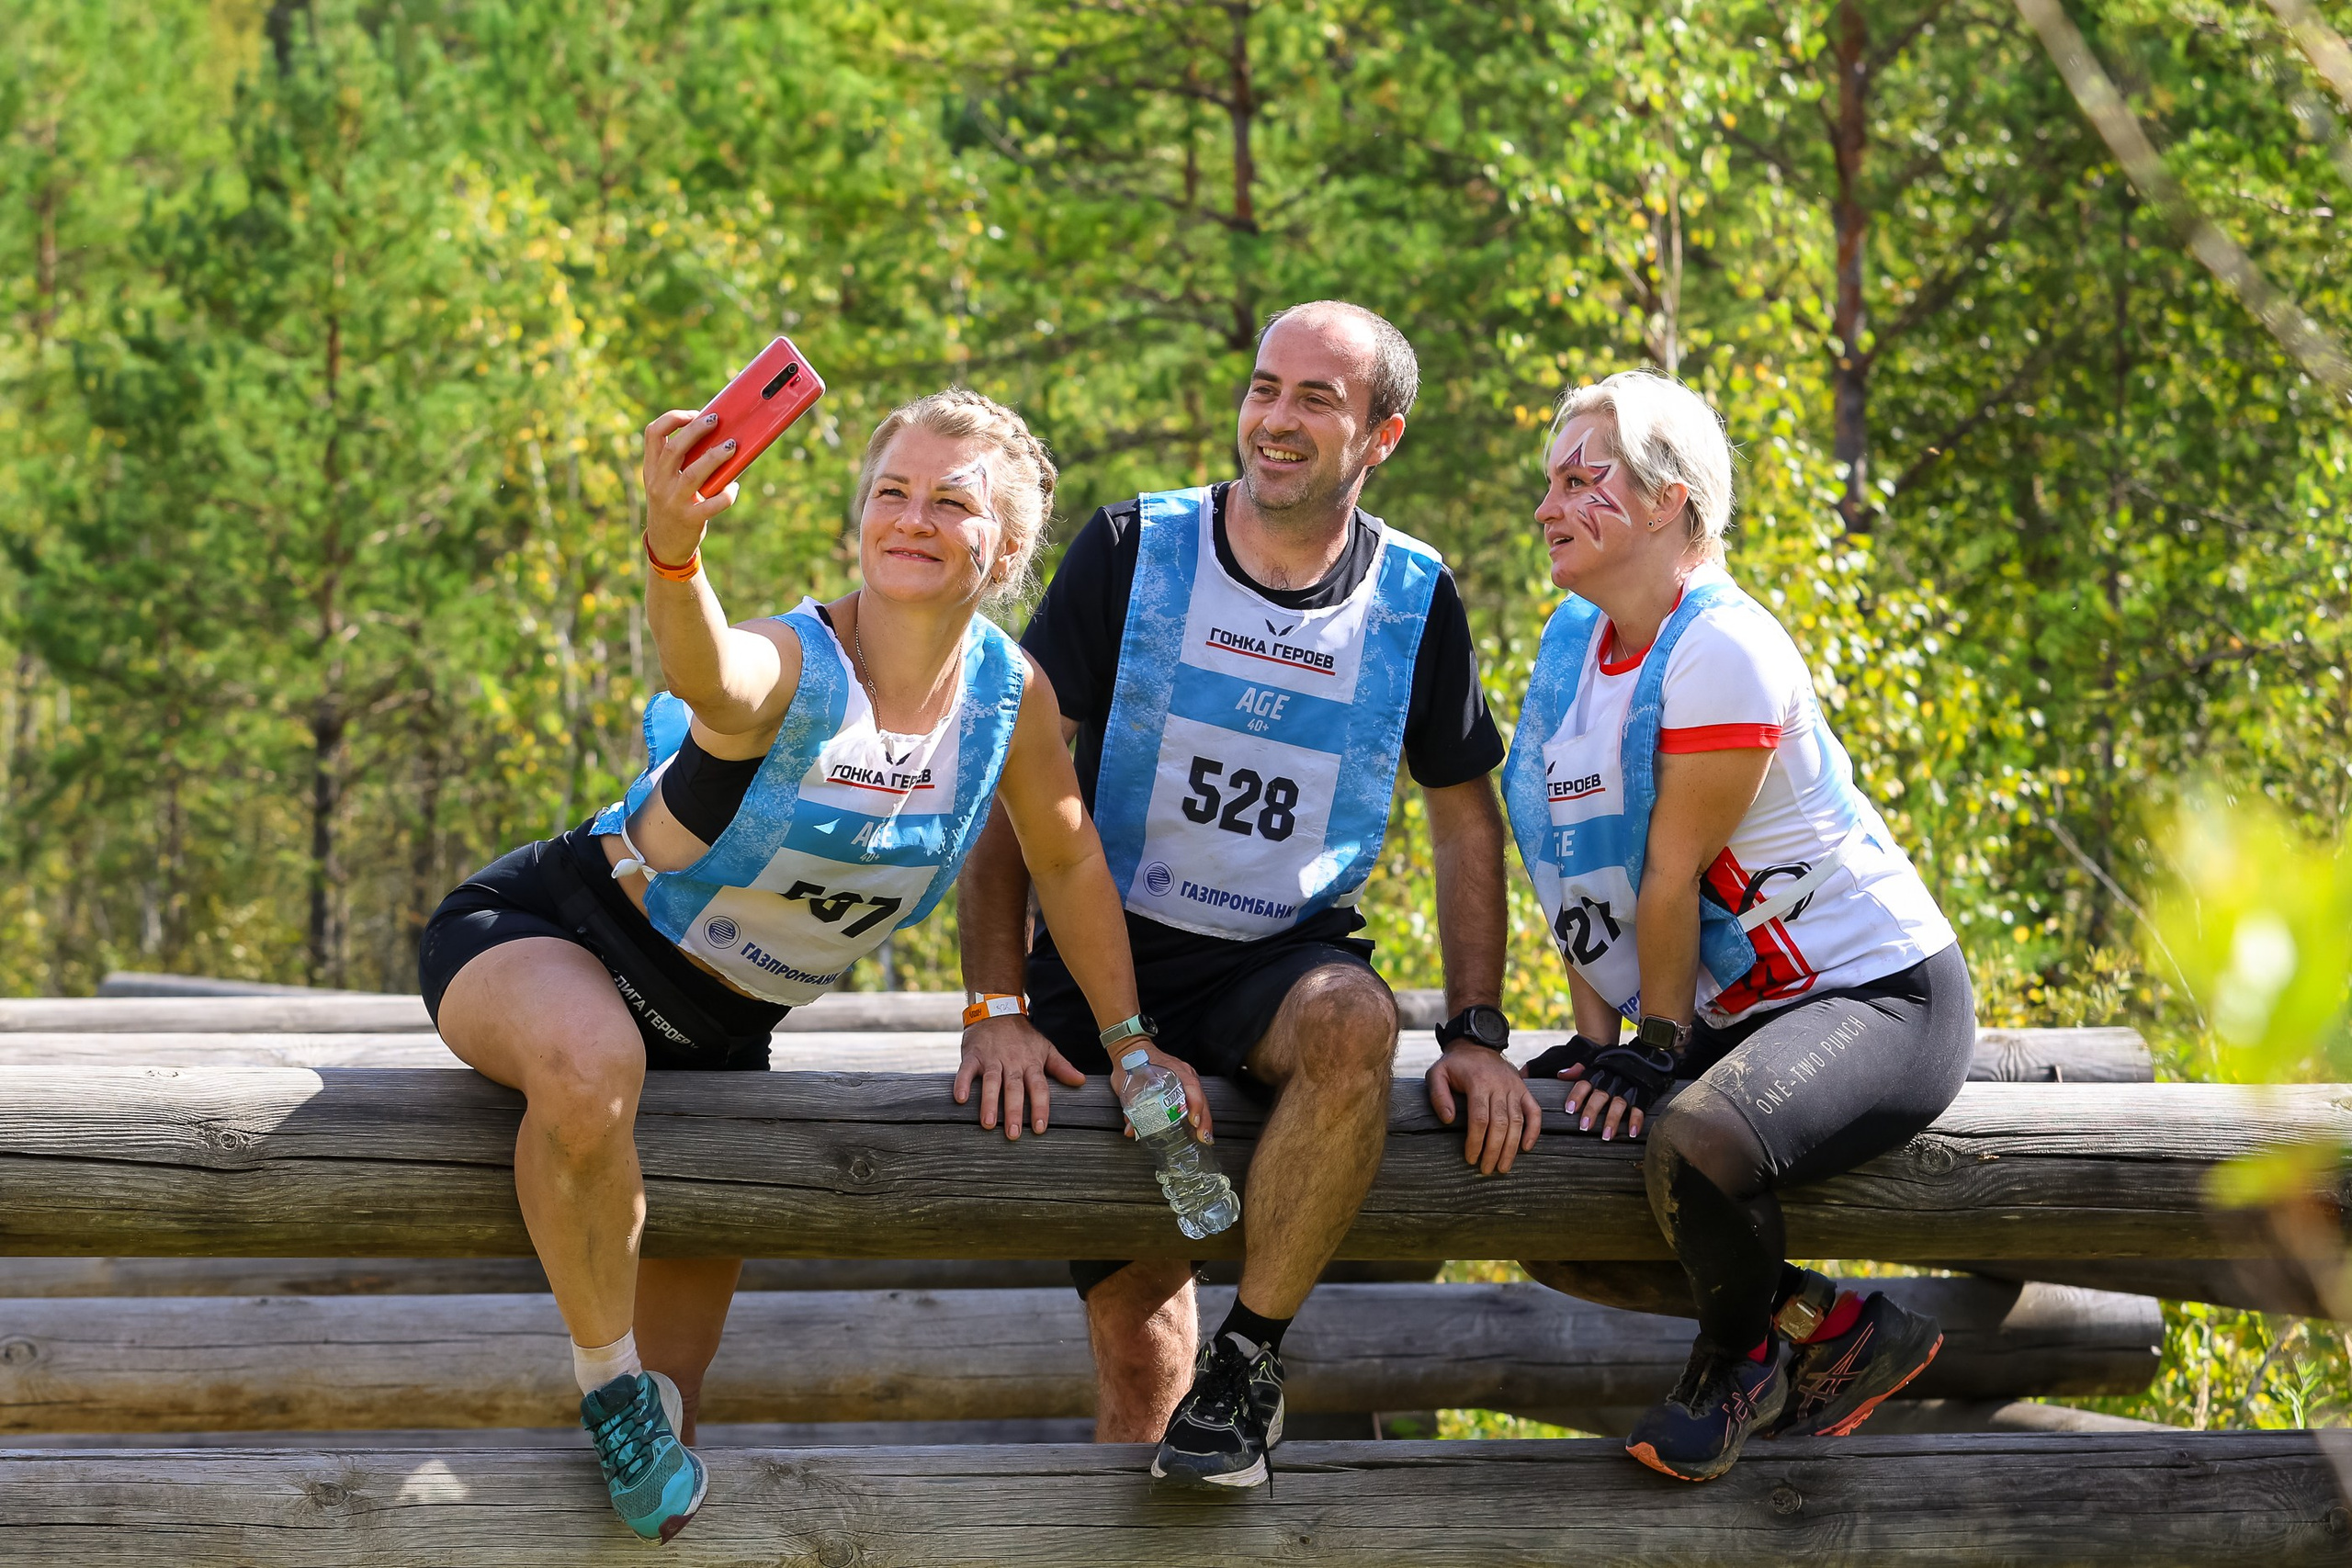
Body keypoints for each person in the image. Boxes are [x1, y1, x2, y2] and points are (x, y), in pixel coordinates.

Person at [418, 388, 1148, 1541]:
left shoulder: (1012, 698)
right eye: (889, 493)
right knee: (590, 1064)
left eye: (949, 502)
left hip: (723, 1035)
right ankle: (604, 1386)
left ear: (1006, 546)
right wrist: (675, 547)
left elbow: (1067, 862)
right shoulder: (793, 662)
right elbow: (712, 674)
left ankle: (641, 1412)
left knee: (677, 1429)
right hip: (554, 935)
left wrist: (1127, 1044)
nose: (909, 518)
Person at [956, 299, 1523, 1491]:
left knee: (1355, 1023)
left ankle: (1251, 1355)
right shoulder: (1131, 547)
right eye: (1266, 387)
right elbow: (1017, 783)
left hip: (1278, 959)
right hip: (1103, 968)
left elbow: (1467, 815)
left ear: (1384, 433)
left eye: (1317, 398)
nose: (1275, 418)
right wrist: (994, 1001)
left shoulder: (1417, 596)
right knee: (1138, 1322)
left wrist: (1476, 1028)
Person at [1493, 368, 1975, 1482]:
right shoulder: (1576, 640)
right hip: (1729, 1009)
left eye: (1582, 480)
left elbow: (1667, 879)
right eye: (1550, 482)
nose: (1547, 506)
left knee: (1695, 1138)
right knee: (1546, 1199)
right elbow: (1579, 862)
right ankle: (1832, 1329)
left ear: (1668, 500)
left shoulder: (1722, 646)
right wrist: (1600, 1043)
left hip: (1878, 996)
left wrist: (1657, 1055)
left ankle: (1735, 1367)